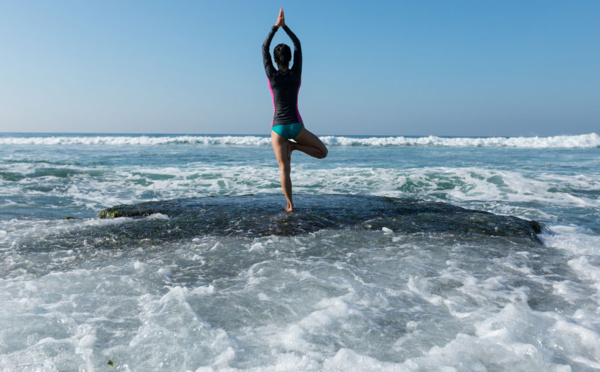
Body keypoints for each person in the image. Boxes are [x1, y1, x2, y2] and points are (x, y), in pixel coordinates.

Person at [263, 9, 328, 212]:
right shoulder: (296, 73)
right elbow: (298, 44)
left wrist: (276, 26)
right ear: (290, 59)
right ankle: (295, 147)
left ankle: (290, 205)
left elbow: (264, 47)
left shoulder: (271, 75)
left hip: (278, 128)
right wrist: (286, 27)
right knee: (323, 152)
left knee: (284, 169)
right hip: (296, 126)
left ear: (275, 61)